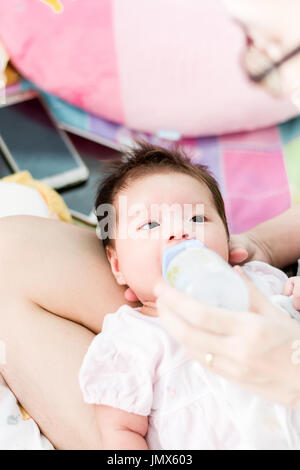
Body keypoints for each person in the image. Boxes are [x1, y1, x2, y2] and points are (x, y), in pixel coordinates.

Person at [77, 142, 300, 450]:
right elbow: (121, 433)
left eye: (197, 219)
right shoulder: (130, 342)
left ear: (227, 239)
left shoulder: (260, 283)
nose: (179, 232)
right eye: (151, 224)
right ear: (118, 267)